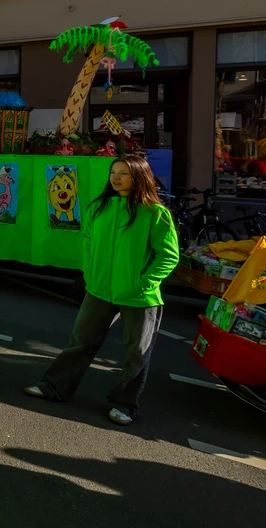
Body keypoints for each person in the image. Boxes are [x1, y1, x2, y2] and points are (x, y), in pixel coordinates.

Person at [23, 155, 180, 425]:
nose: (116, 178)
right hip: (98, 290)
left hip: (139, 296)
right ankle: (54, 387)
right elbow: (87, 241)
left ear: (139, 177)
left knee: (136, 354)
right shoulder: (99, 207)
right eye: (114, 172)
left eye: (124, 173)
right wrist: (90, 272)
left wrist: (144, 283)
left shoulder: (155, 213)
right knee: (80, 342)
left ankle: (124, 403)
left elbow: (168, 255)